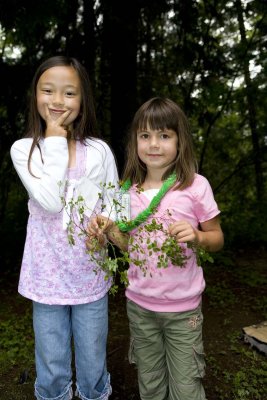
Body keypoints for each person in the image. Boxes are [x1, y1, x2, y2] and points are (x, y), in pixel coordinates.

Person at [88, 97, 224, 400]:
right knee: (150, 386)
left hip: (183, 311)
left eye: (164, 135)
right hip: (140, 308)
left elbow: (217, 237)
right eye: (145, 135)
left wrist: (199, 237)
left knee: (186, 389)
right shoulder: (127, 191)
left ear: (180, 141)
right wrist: (107, 232)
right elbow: (128, 247)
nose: (154, 144)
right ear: (135, 140)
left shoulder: (195, 186)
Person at [10, 56, 118, 400]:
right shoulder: (25, 150)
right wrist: (55, 139)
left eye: (69, 93)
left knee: (91, 360)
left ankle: (92, 394)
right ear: (35, 96)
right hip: (47, 277)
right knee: (53, 362)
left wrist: (107, 222)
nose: (57, 101)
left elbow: (115, 200)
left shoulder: (99, 150)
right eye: (48, 91)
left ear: (82, 99)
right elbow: (51, 202)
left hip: (90, 273)